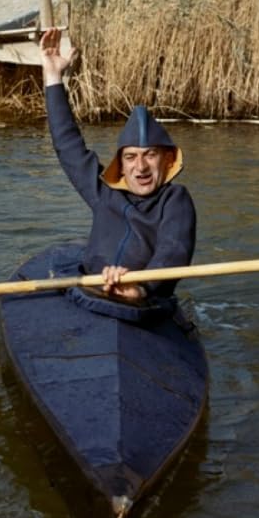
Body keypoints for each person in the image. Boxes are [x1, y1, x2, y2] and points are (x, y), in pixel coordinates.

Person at [39, 26, 196, 307]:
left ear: (167, 159)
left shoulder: (175, 200)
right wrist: (53, 77)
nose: (141, 167)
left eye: (150, 155)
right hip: (91, 291)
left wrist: (142, 287)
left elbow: (174, 249)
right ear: (120, 165)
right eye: (131, 157)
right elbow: (67, 144)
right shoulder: (103, 193)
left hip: (143, 301)